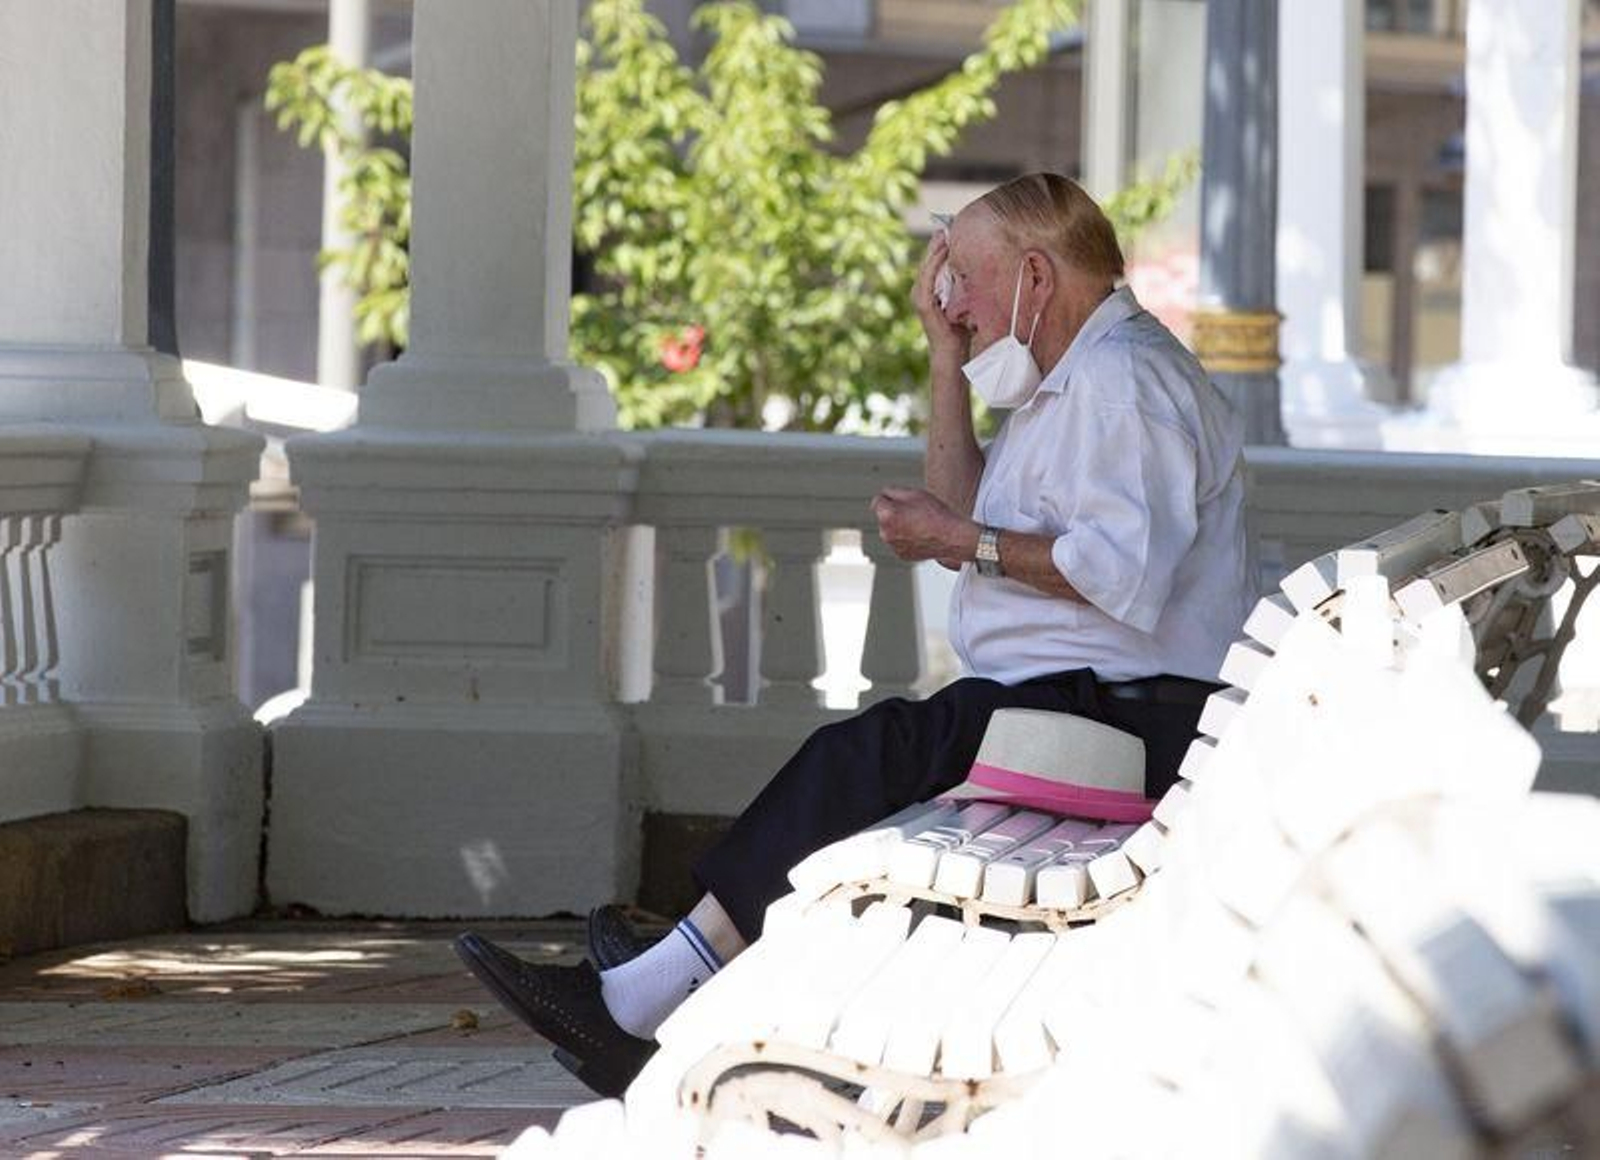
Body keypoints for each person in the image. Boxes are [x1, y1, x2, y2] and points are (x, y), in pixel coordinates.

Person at [455, 172, 1254, 1098]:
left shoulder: (1123, 386)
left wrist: (957, 540)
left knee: (867, 754)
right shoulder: (1074, 375)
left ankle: (644, 1000)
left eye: (967, 282)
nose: (954, 300)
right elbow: (966, 512)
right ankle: (667, 967)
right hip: (1070, 697)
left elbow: (1119, 575)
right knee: (876, 748)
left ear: (1036, 276)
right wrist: (942, 355)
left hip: (1131, 714)